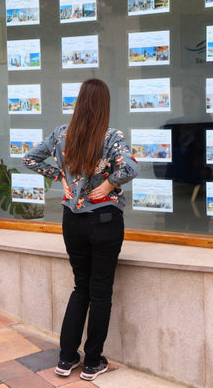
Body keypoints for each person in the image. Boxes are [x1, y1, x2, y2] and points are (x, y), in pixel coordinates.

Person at [23, 79, 138, 381]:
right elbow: (131, 167)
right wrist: (110, 183)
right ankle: (92, 362)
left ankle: (65, 358)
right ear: (104, 105)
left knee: (80, 287)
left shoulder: (62, 134)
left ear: (79, 103)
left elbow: (30, 158)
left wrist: (59, 175)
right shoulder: (112, 136)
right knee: (100, 292)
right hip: (104, 222)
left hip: (71, 222)